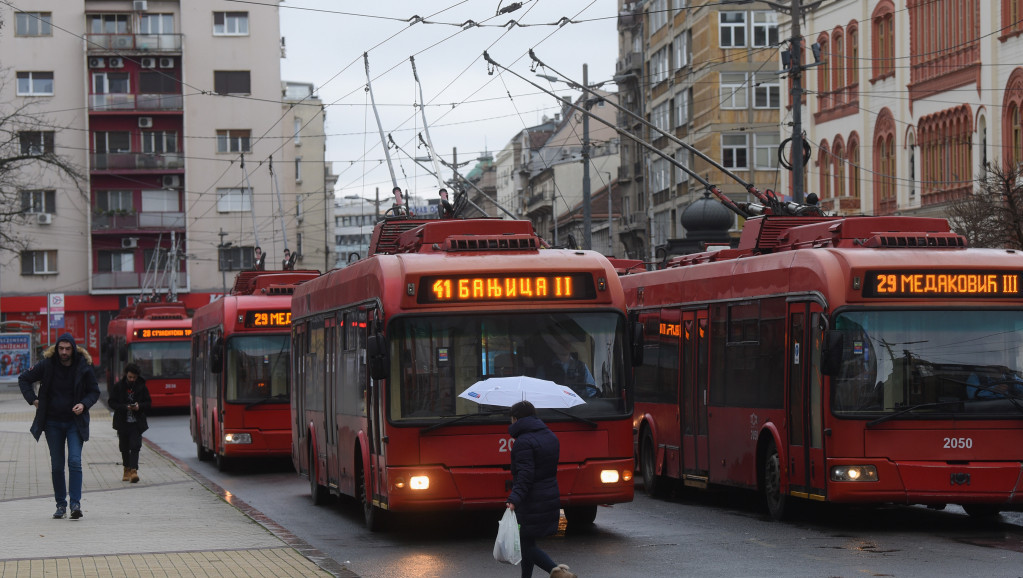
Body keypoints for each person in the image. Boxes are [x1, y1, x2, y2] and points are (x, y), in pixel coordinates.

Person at [18, 333, 100, 520]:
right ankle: (61, 505)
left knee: (74, 461)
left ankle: (75, 504)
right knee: (57, 465)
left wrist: (84, 404)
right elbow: (24, 378)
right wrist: (33, 400)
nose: (64, 352)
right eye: (61, 348)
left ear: (73, 348)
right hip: (52, 422)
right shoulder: (47, 364)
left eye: (67, 349)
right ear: (57, 348)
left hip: (74, 422)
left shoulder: (83, 366)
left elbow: (94, 391)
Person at [506, 401, 576, 578]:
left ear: (515, 418)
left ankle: (557, 572)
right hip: (549, 494)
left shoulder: (523, 442)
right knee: (527, 540)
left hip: (531, 499)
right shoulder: (550, 436)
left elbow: (525, 475)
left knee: (524, 544)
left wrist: (514, 499)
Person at [109, 363, 152, 483]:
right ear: (126, 375)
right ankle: (126, 468)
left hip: (136, 423)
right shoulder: (118, 386)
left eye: (134, 377)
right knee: (124, 447)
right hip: (122, 422)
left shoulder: (142, 387)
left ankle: (134, 471)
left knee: (135, 446)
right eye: (130, 377)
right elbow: (111, 402)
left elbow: (148, 402)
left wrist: (139, 407)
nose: (132, 379)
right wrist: (124, 407)